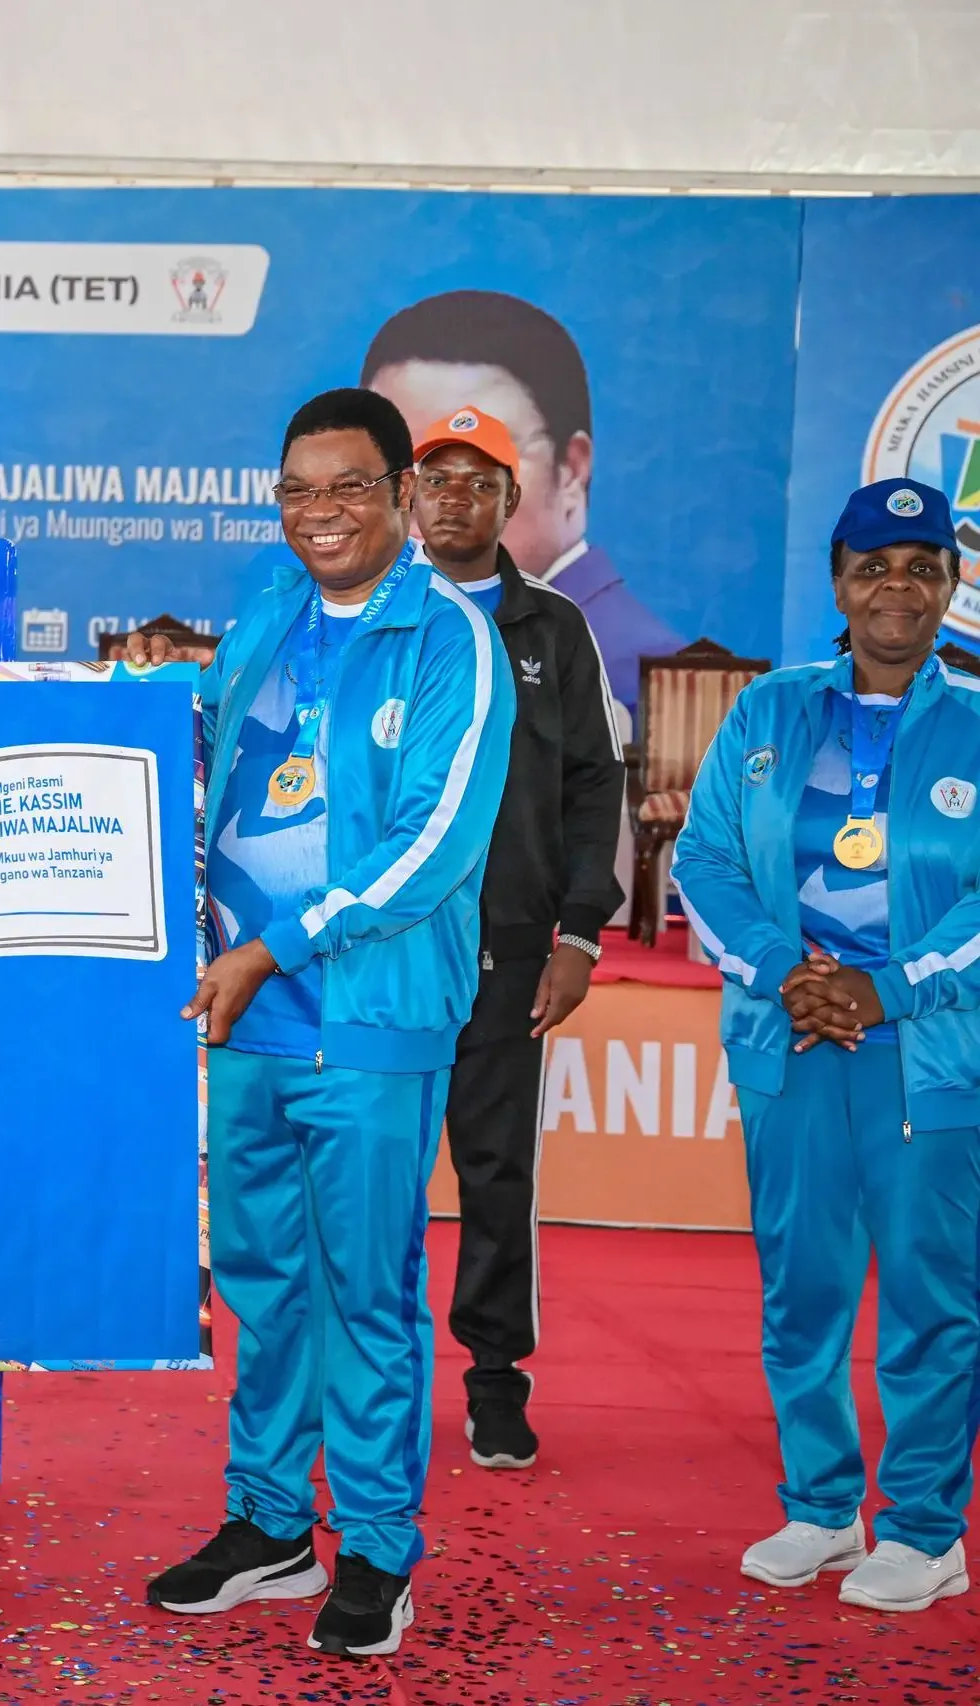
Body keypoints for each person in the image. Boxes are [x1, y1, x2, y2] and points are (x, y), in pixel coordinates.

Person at [141, 388, 511, 1659]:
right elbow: (196, 773)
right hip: (242, 1021)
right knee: (265, 1285)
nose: (320, 514)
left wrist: (276, 947)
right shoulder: (261, 622)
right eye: (297, 490)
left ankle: (376, 1546)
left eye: (349, 487)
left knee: (366, 1291)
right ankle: (266, 1522)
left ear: (405, 494)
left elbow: (437, 846)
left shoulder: (448, 639)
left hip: (361, 1016)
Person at [674, 477, 980, 1615]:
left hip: (930, 1051)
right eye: (872, 565)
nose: (894, 587)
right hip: (790, 1036)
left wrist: (885, 988)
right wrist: (781, 971)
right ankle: (818, 1504)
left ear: (949, 584)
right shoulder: (770, 710)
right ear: (838, 582)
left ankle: (924, 1525)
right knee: (799, 1287)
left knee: (929, 1290)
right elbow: (702, 860)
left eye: (919, 565)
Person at [407, 407, 625, 1470]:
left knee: (495, 1172)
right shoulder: (377, 618)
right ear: (408, 496)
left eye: (477, 478)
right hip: (383, 952)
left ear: (510, 499)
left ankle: (495, 1378)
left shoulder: (552, 631)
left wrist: (579, 931)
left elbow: (591, 784)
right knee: (366, 1174)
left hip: (502, 952)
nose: (455, 496)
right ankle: (361, 1375)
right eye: (434, 476)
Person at [362, 290, 682, 712]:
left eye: (477, 474)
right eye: (405, 467)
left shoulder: (640, 679)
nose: (433, 501)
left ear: (572, 470)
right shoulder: (375, 639)